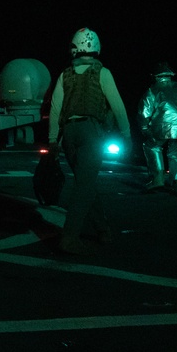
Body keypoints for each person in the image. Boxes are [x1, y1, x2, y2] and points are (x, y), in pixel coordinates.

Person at [47, 27, 132, 254]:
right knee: (84, 186)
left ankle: (102, 229)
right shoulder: (103, 73)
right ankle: (70, 237)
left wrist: (53, 140)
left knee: (86, 183)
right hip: (91, 132)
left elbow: (55, 109)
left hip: (69, 135)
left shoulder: (65, 74)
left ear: (76, 48)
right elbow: (118, 106)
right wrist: (126, 134)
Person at [137, 61, 177, 197]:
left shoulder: (153, 90)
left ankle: (157, 178)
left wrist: (145, 128)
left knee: (151, 146)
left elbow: (144, 112)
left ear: (155, 76)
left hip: (161, 125)